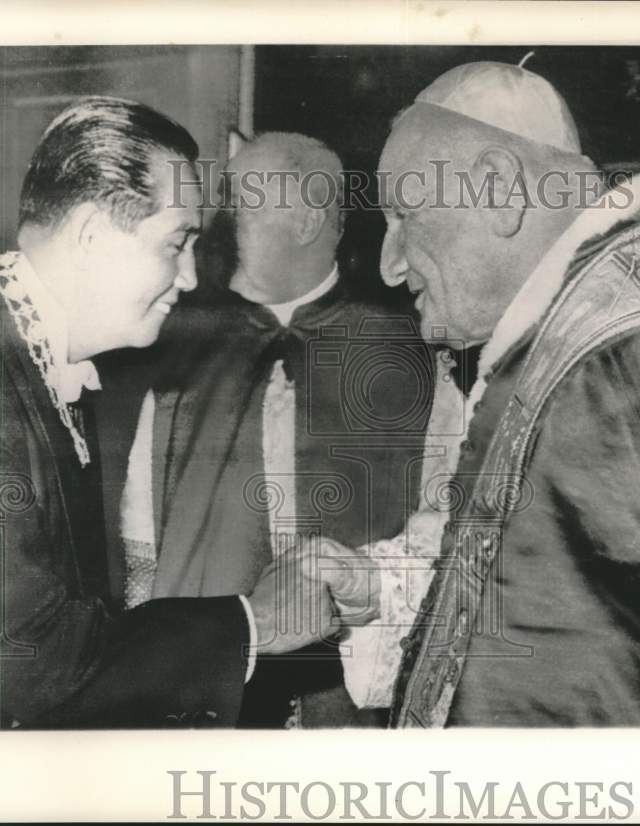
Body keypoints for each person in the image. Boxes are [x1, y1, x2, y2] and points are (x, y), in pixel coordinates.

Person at [0, 97, 334, 730]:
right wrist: (255, 622)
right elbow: (29, 661)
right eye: (176, 243)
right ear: (90, 236)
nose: (189, 277)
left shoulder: (37, 358)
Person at [312, 61, 640, 727]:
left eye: (404, 215)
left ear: (498, 189)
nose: (388, 265)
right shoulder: (585, 317)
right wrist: (377, 587)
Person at [96, 132, 433, 727]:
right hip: (213, 682)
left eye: (238, 202)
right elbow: (138, 529)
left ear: (305, 222)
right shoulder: (166, 339)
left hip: (354, 701)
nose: (217, 220)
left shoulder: (409, 348)